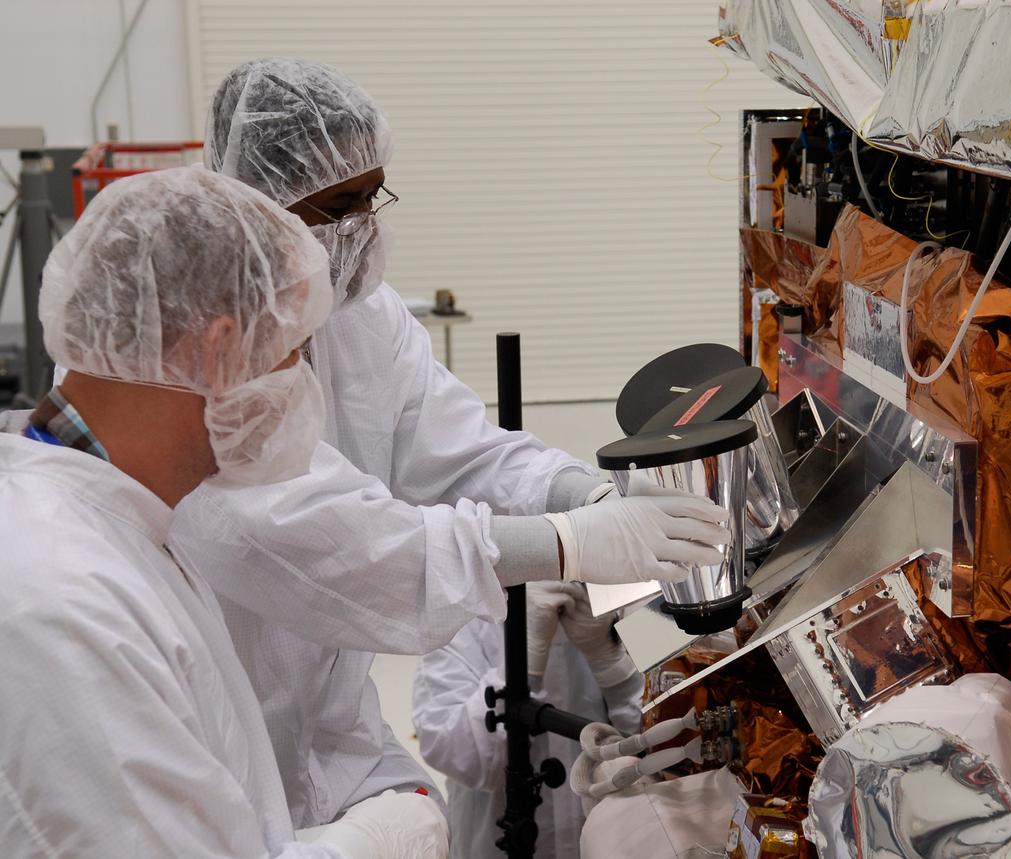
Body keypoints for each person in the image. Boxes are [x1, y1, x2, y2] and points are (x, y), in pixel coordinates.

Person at [167, 57, 728, 831]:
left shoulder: (362, 317)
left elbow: (467, 449)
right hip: (215, 734)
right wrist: (565, 542)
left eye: (374, 194)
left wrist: (585, 493)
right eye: (341, 203)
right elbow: (350, 550)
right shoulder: (196, 353)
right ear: (262, 206)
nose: (367, 224)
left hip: (330, 723)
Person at [0, 167, 445, 857]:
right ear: (220, 347)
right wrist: (367, 844)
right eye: (296, 353)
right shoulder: (61, 607)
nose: (304, 385)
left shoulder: (127, 533)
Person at [413, 582, 642, 858]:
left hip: (617, 842)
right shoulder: (463, 601)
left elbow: (673, 741)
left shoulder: (633, 586)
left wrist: (612, 663)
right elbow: (457, 755)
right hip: (496, 843)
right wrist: (522, 666)